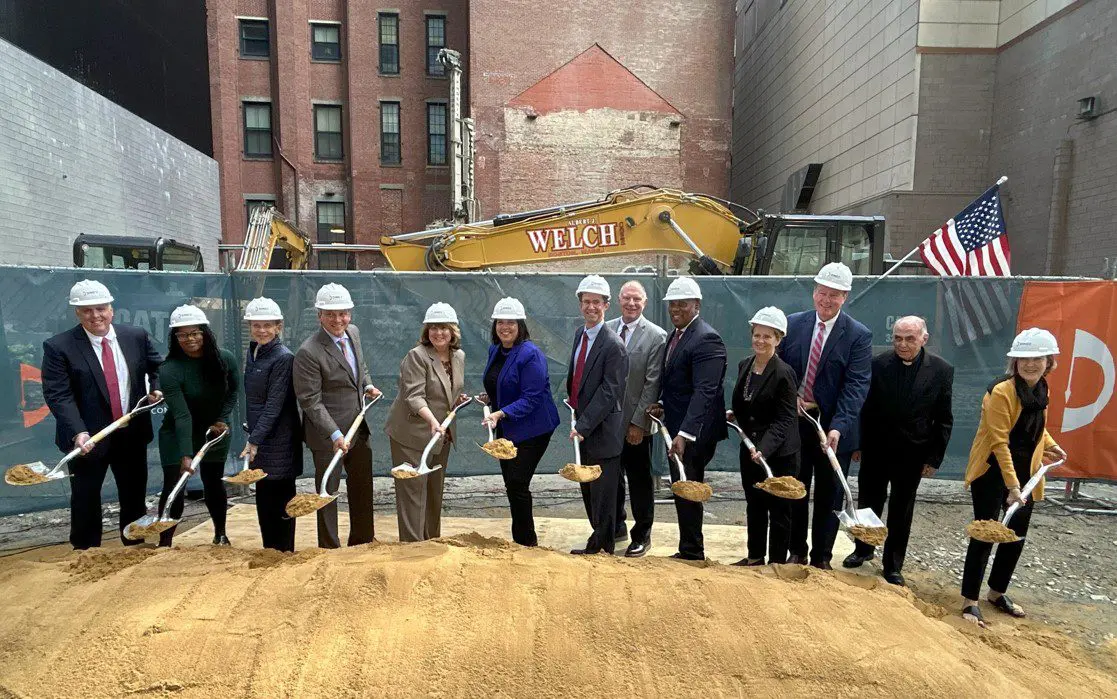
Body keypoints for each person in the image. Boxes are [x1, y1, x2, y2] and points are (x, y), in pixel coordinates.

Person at [41, 279, 163, 549]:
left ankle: (135, 546)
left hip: (130, 433)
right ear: (77, 313)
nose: (95, 315)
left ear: (111, 309)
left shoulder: (135, 337)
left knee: (134, 495)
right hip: (88, 438)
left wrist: (156, 388)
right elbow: (59, 395)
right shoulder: (59, 347)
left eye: (101, 308)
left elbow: (158, 367)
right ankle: (86, 553)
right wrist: (78, 432)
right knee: (85, 498)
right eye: (87, 310)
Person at [960, 328, 1066, 627]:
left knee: (1016, 536)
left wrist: (1051, 445)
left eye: (1037, 359)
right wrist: (1012, 486)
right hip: (992, 472)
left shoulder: (1042, 390)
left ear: (1049, 362)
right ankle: (970, 601)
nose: (1030, 364)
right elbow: (999, 440)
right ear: (1015, 362)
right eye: (1024, 359)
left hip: (1025, 473)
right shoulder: (1001, 392)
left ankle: (997, 593)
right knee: (985, 533)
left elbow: (1036, 427)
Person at [844, 316, 954, 585]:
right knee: (869, 501)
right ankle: (863, 549)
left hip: (913, 453)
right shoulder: (877, 364)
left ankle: (893, 564)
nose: (902, 344)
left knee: (901, 509)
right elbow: (863, 407)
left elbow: (943, 418)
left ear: (924, 339)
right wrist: (857, 443)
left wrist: (934, 458)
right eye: (897, 338)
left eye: (909, 339)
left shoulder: (941, 370)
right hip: (876, 448)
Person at [778, 262, 872, 569]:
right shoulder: (793, 324)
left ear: (845, 297)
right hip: (797, 424)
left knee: (830, 496)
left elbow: (856, 386)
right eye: (822, 292)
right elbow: (781, 370)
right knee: (795, 489)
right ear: (814, 291)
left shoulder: (858, 335)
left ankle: (821, 558)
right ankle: (796, 551)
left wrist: (838, 427)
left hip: (833, 428)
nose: (826, 300)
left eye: (834, 295)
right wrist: (789, 395)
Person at [293, 283, 383, 548]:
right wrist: (334, 434)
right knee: (327, 492)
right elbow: (310, 401)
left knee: (362, 486)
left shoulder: (353, 333)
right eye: (330, 314)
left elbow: (360, 366)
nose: (337, 320)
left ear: (350, 314)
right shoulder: (308, 352)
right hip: (327, 436)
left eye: (342, 313)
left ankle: (362, 542)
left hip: (358, 427)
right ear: (319, 315)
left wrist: (367, 385)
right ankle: (329, 547)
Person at [647, 277, 727, 561]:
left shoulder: (706, 339)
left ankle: (692, 551)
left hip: (695, 432)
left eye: (682, 303)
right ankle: (688, 547)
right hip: (678, 426)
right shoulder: (677, 335)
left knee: (688, 486)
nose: (676, 309)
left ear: (697, 305)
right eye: (672, 304)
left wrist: (685, 434)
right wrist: (661, 404)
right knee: (681, 487)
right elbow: (677, 383)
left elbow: (705, 391)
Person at [155, 305, 240, 547]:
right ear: (175, 337)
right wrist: (185, 454)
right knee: (175, 484)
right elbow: (182, 415)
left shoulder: (225, 358)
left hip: (215, 430)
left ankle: (221, 534)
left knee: (213, 481)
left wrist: (221, 418)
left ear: (205, 332)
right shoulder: (169, 370)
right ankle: (165, 541)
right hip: (177, 433)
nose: (190, 339)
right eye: (182, 335)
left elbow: (233, 391)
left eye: (194, 333)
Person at [480, 297, 561, 546]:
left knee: (517, 482)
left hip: (533, 428)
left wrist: (500, 413)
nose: (505, 327)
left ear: (520, 325)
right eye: (500, 322)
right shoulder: (496, 350)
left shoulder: (531, 354)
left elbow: (532, 397)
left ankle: (527, 543)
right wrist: (490, 398)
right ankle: (521, 540)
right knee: (511, 484)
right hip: (508, 426)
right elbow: (500, 381)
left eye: (511, 322)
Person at [384, 303, 466, 542]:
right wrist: (432, 420)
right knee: (413, 492)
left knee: (433, 491)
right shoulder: (417, 356)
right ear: (426, 331)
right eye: (433, 328)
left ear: (453, 331)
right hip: (412, 434)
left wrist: (456, 399)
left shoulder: (458, 356)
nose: (438, 333)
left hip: (441, 434)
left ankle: (431, 542)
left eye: (444, 328)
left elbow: (448, 389)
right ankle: (412, 546)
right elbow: (414, 396)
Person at [728, 307, 800, 566]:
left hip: (779, 454)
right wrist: (736, 414)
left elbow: (785, 418)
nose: (760, 340)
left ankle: (776, 564)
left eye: (767, 336)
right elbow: (747, 400)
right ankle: (755, 557)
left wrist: (764, 449)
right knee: (755, 505)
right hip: (750, 449)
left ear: (778, 339)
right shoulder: (745, 365)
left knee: (779, 509)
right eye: (757, 335)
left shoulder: (783, 373)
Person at [566, 276, 628, 556]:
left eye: (596, 302)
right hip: (583, 425)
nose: (591, 307)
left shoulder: (613, 345)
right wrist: (573, 403)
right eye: (586, 302)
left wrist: (583, 425)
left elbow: (609, 391)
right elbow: (579, 376)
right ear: (580, 304)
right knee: (589, 490)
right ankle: (599, 539)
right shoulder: (580, 334)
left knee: (602, 495)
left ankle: (602, 548)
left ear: (606, 305)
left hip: (601, 430)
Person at [606, 280, 667, 557]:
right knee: (612, 477)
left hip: (635, 424)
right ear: (619, 300)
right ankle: (616, 526)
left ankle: (642, 534)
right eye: (627, 298)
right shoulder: (607, 329)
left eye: (637, 299)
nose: (631, 303)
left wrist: (638, 423)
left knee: (640, 480)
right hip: (608, 422)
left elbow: (652, 382)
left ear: (645, 303)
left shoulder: (656, 336)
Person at [240, 297, 302, 552]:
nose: (262, 330)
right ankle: (270, 552)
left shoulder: (283, 357)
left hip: (280, 440)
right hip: (261, 437)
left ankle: (285, 552)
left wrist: (254, 439)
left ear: (278, 327)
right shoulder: (254, 351)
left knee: (282, 498)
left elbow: (274, 405)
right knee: (264, 497)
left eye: (268, 325)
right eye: (256, 325)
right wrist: (254, 435)